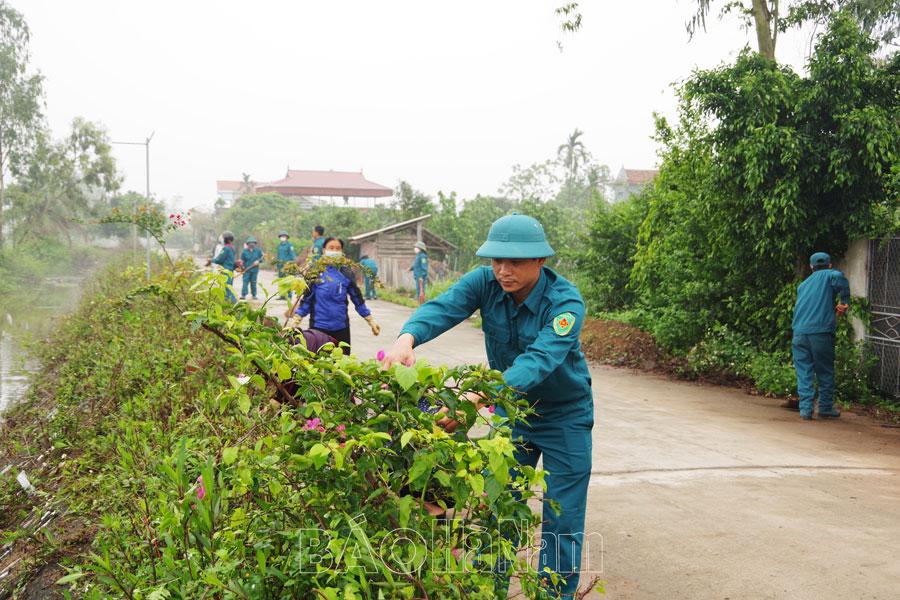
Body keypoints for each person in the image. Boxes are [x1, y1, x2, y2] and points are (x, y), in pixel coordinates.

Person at [381, 213, 593, 597]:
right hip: (513, 414)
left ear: (540, 262)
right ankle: (486, 590)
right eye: (496, 260)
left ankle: (553, 594)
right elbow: (443, 308)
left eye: (514, 261)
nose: (502, 270)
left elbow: (539, 360)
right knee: (500, 506)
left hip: (566, 416)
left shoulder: (565, 303)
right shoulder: (484, 283)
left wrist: (479, 395)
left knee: (563, 517)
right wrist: (406, 338)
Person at [293, 237, 381, 354]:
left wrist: (370, 320)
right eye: (331, 248)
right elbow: (307, 300)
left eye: (338, 248)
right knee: (317, 367)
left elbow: (357, 299)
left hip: (341, 329)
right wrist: (296, 320)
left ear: (342, 251)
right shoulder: (316, 272)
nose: (334, 251)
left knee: (342, 366)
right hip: (318, 329)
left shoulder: (346, 272)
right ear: (324, 250)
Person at [791, 251, 850, 420]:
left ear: (811, 267)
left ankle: (805, 410)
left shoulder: (802, 285)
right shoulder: (832, 274)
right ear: (829, 265)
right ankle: (824, 407)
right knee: (825, 371)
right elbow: (839, 278)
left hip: (799, 333)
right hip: (820, 333)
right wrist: (844, 301)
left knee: (804, 371)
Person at [208, 230, 237, 303]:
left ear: (225, 239)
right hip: (231, 270)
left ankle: (232, 303)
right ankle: (231, 303)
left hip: (225, 270)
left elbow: (219, 259)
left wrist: (211, 260)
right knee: (229, 287)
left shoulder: (226, 248)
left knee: (226, 287)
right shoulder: (232, 248)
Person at [239, 236, 264, 300]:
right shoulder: (244, 251)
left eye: (253, 243)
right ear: (247, 244)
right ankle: (243, 295)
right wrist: (242, 267)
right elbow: (242, 260)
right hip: (246, 270)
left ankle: (254, 295)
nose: (251, 244)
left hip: (254, 270)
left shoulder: (258, 251)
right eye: (250, 243)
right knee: (245, 282)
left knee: (253, 282)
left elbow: (262, 258)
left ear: (255, 244)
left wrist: (258, 261)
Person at [275, 231, 297, 300]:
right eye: (281, 236)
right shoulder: (279, 245)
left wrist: (293, 263)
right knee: (281, 281)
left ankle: (289, 296)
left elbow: (292, 255)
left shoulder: (289, 245)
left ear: (287, 237)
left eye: (284, 236)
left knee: (288, 281)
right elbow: (278, 255)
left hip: (287, 266)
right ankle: (282, 295)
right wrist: (277, 265)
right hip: (280, 266)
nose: (283, 237)